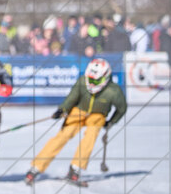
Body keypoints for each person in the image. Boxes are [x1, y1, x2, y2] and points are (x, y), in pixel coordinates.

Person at [24, 58, 127, 187]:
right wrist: (62, 110)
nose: (92, 82)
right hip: (79, 111)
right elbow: (71, 98)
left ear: (105, 77)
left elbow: (122, 108)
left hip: (98, 115)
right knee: (62, 137)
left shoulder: (114, 91)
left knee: (90, 136)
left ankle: (75, 169)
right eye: (90, 78)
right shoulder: (82, 82)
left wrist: (111, 122)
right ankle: (36, 168)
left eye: (96, 80)